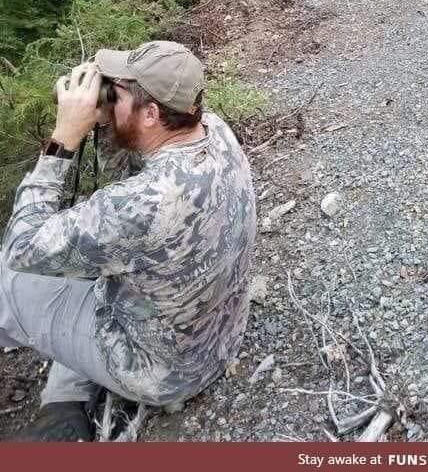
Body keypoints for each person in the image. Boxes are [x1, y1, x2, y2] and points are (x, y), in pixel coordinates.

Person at [0, 41, 257, 441]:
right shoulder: (214, 131)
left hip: (164, 372)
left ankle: (67, 390)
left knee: (6, 277)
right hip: (219, 336)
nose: (106, 96)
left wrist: (63, 138)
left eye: (115, 93)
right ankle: (64, 398)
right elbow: (126, 177)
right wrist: (111, 118)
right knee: (83, 260)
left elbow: (21, 248)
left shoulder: (138, 206)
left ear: (152, 113)